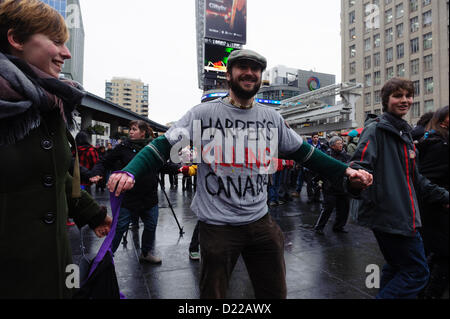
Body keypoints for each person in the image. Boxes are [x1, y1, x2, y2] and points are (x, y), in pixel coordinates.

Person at [107, 49, 372, 299]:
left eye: (255, 69)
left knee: (274, 292)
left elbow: (306, 154)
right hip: (217, 225)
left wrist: (345, 171)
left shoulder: (272, 118)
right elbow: (163, 145)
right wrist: (130, 171)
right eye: (242, 67)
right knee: (214, 295)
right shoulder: (203, 113)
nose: (250, 73)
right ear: (228, 75)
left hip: (260, 221)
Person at [0, 0, 111, 298]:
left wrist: (94, 214)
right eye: (56, 41)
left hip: (56, 270)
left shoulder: (51, 102)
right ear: (16, 39)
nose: (67, 52)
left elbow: (57, 175)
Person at [348, 78, 449, 299]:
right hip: (391, 216)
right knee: (417, 272)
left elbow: (416, 179)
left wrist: (443, 196)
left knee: (396, 267)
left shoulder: (404, 134)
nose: (404, 100)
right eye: (397, 96)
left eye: (408, 96)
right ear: (386, 100)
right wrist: (358, 178)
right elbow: (359, 165)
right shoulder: (375, 130)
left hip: (405, 214)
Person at [90, 120, 167, 264]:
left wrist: (182, 169)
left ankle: (145, 253)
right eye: (130, 129)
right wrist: (97, 172)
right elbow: (104, 162)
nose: (130, 132)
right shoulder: (123, 147)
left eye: (134, 129)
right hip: (128, 198)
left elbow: (164, 164)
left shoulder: (152, 147)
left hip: (149, 197)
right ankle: (105, 258)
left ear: (143, 132)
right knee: (119, 228)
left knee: (151, 225)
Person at [416, 105, 449, 299]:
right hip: (437, 211)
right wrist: (444, 197)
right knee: (442, 256)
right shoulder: (439, 144)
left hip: (436, 210)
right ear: (443, 119)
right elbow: (425, 178)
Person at [314, 136, 351, 235]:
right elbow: (320, 170)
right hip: (329, 186)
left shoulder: (345, 155)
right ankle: (319, 227)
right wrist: (319, 182)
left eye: (342, 143)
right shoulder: (327, 155)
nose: (341, 145)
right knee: (328, 208)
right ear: (333, 145)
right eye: (339, 143)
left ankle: (339, 226)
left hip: (342, 186)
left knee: (344, 208)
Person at [304, 132, 323, 203]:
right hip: (309, 167)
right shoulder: (308, 145)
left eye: (317, 137)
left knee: (318, 183)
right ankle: (310, 197)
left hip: (317, 168)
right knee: (309, 183)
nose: (316, 138)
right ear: (312, 138)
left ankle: (317, 197)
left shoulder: (320, 146)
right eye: (314, 137)